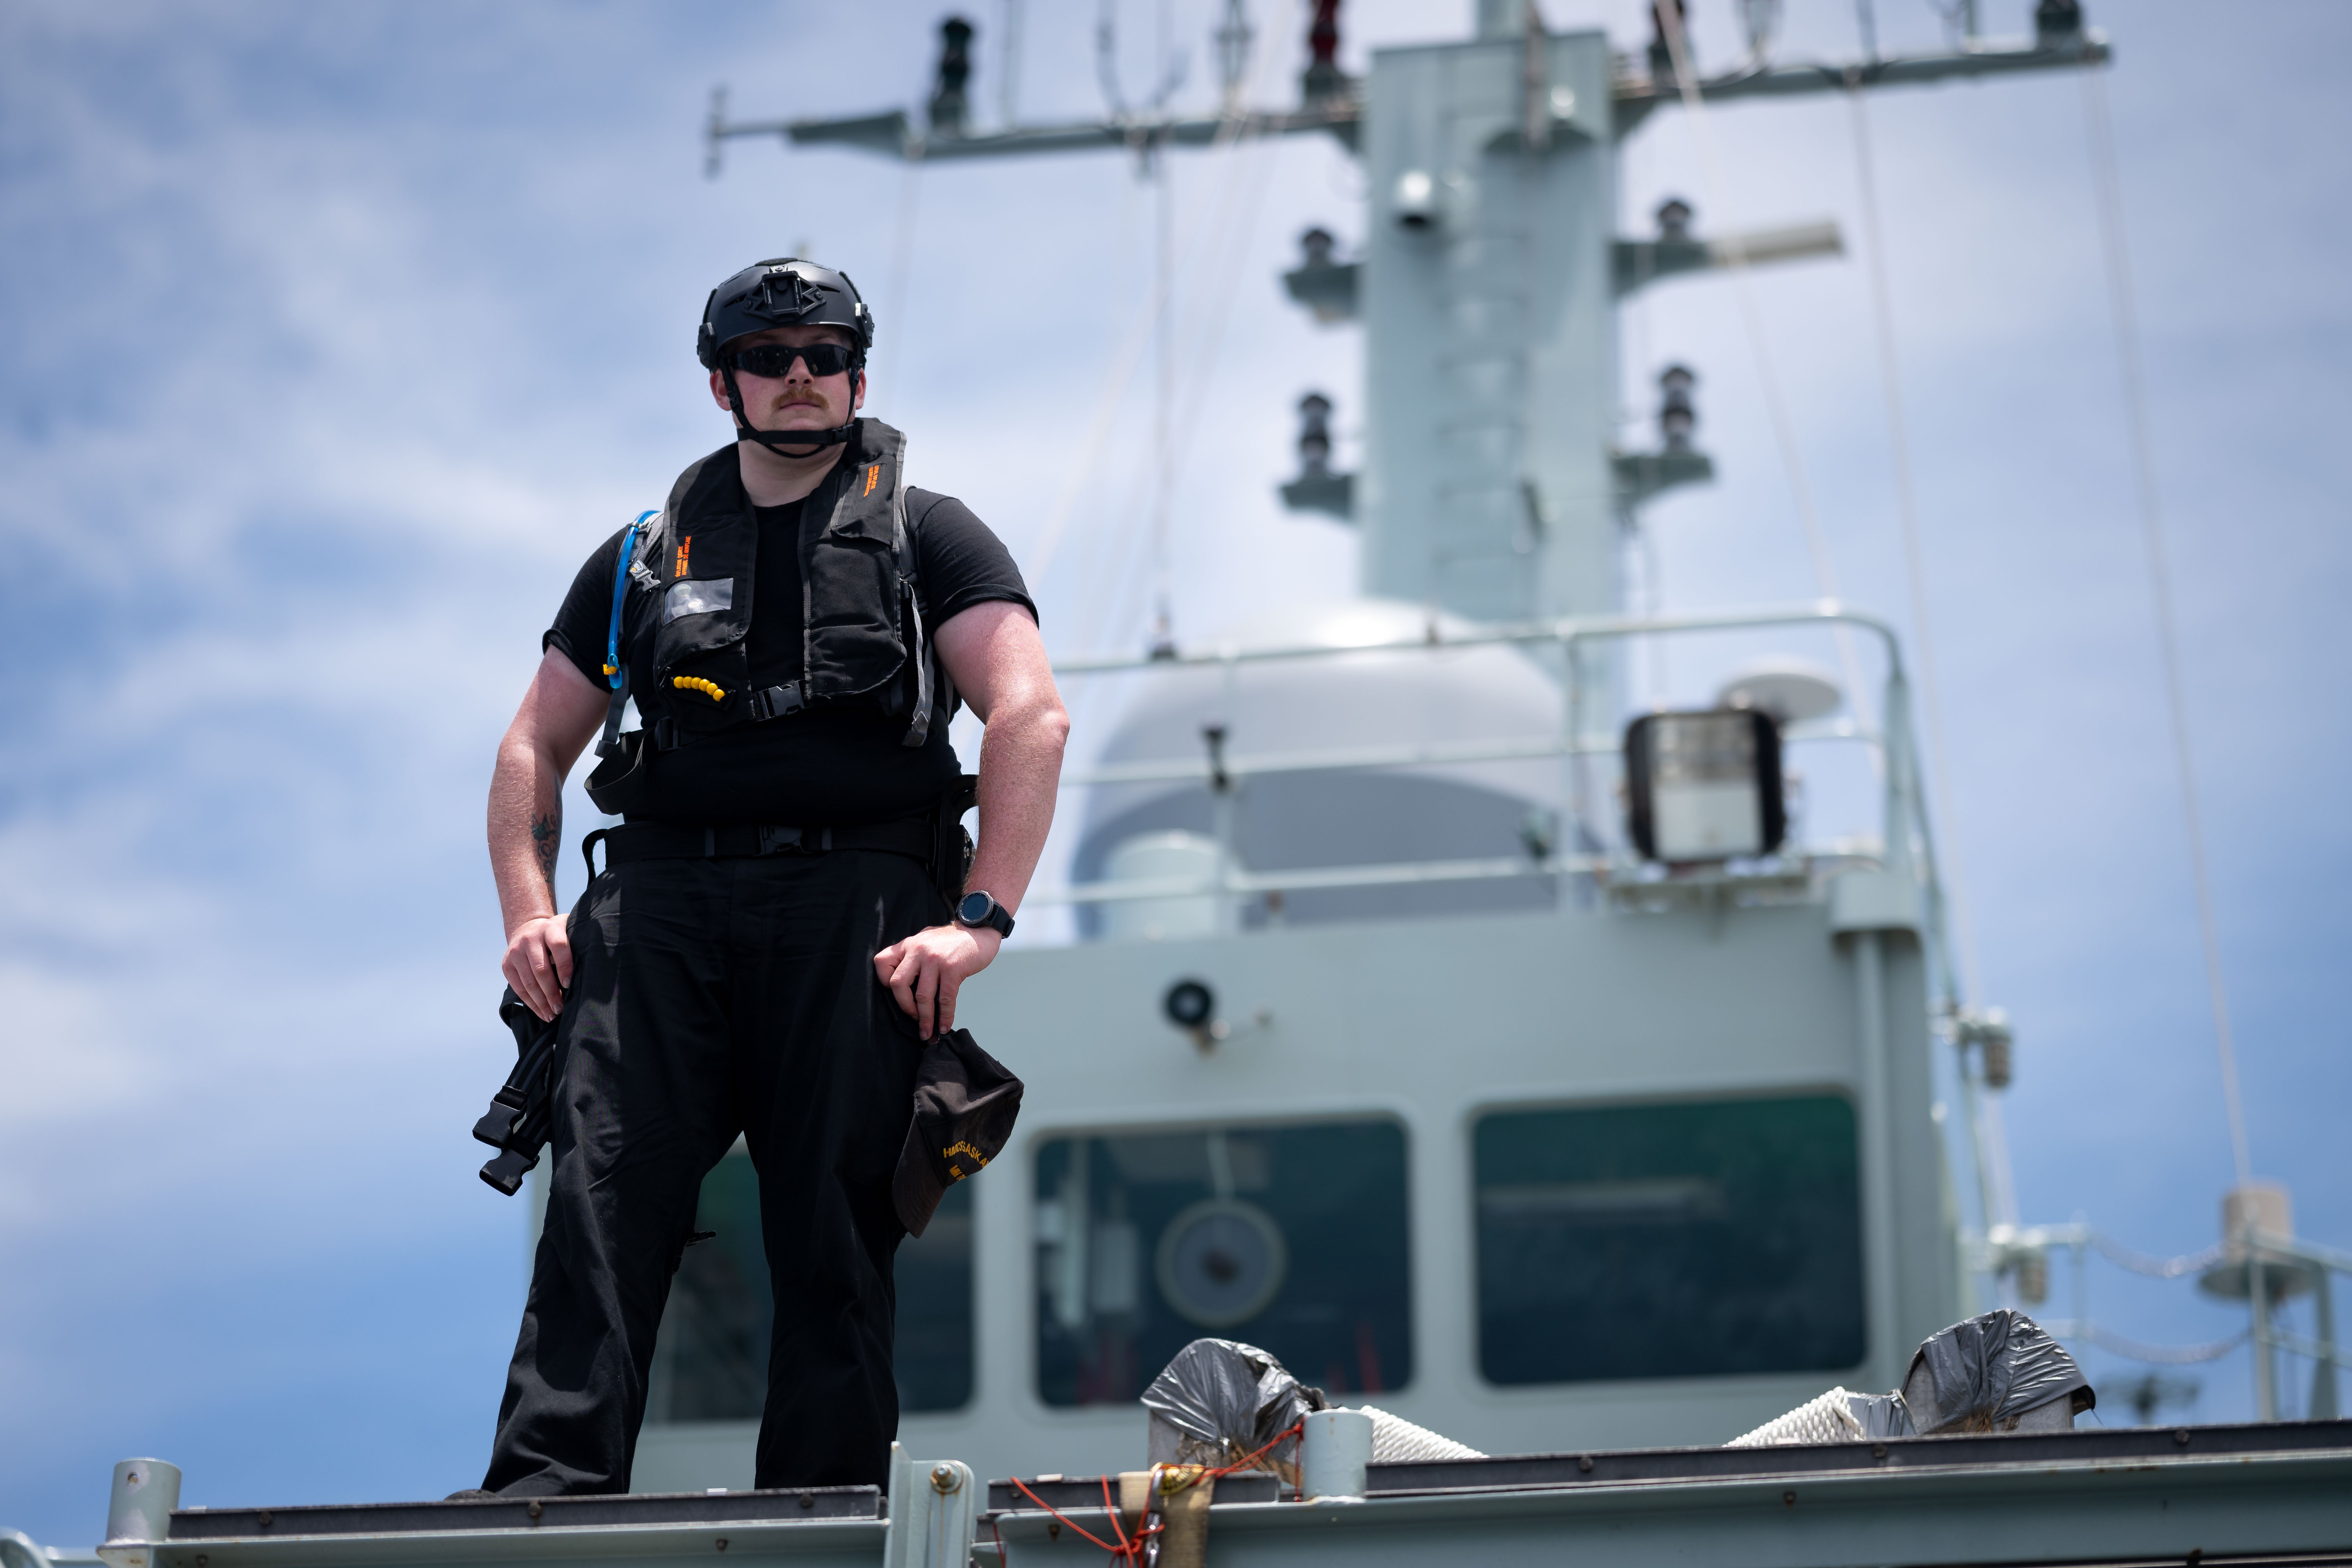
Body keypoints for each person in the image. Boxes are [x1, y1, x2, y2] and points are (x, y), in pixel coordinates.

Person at [475, 257, 1067, 1496]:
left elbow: (1028, 715)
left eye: (823, 356)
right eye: (768, 357)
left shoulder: (929, 533)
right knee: (598, 1204)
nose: (798, 378)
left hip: (856, 910)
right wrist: (531, 914)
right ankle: (540, 1503)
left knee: (834, 1229)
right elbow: (534, 740)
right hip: (660, 915)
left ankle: (823, 1506)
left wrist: (978, 924)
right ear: (720, 383)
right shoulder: (640, 555)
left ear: (857, 373)